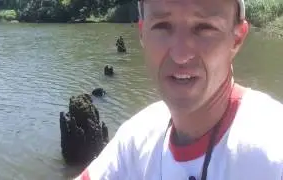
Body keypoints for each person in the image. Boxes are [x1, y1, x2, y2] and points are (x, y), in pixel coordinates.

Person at [75, 0, 283, 179]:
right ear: (142, 33)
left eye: (204, 27)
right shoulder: (134, 142)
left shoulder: (272, 152)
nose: (180, 55)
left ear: (237, 38)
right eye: (162, 25)